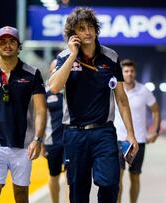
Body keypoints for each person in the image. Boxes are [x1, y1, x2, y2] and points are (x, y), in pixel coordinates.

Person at [48, 7, 139, 203]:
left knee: (109, 184)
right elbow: (54, 87)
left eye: (90, 27)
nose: (87, 32)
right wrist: (73, 55)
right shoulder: (65, 57)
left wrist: (131, 134)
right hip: (74, 134)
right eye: (81, 29)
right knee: (78, 191)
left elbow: (121, 99)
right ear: (74, 34)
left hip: (104, 132)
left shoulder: (111, 57)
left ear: (96, 29)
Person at [0, 26, 47, 203]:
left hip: (23, 145)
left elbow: (41, 109)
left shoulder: (32, 74)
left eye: (12, 41)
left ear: (19, 46)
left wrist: (38, 139)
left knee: (20, 195)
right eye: (2, 42)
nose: (7, 45)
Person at [113, 59, 160, 203]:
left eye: (132, 71)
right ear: (121, 73)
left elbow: (156, 111)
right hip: (118, 139)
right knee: (117, 178)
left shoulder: (144, 90)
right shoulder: (114, 89)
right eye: (126, 71)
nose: (129, 74)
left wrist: (154, 131)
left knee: (135, 176)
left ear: (135, 73)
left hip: (138, 141)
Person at [42, 59, 68, 203]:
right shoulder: (45, 94)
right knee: (54, 175)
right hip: (52, 141)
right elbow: (40, 117)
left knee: (71, 175)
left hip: (71, 139)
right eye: (54, 70)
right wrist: (39, 141)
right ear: (50, 73)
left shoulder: (72, 90)